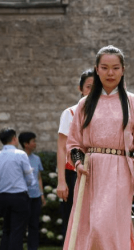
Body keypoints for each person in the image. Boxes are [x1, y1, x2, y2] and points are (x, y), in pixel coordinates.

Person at [54, 45, 134, 250]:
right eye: (105, 68)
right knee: (88, 229)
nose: (110, 72)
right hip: (91, 172)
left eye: (116, 68)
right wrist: (77, 162)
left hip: (120, 168)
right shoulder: (85, 104)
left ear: (123, 70)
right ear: (97, 70)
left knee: (106, 228)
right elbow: (74, 143)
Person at [56, 69, 94, 240]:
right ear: (80, 89)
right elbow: (62, 148)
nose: (92, 91)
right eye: (88, 87)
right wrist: (61, 182)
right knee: (72, 219)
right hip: (73, 171)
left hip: (97, 171)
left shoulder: (106, 113)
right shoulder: (70, 113)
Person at [0, 128, 36, 250]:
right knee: (17, 231)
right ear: (14, 139)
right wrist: (31, 186)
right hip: (19, 196)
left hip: (4, 196)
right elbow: (30, 177)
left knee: (6, 230)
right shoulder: (20, 154)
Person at [18, 132, 46, 250]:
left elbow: (38, 177)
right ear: (26, 144)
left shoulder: (37, 159)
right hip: (23, 196)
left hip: (35, 197)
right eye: (33, 141)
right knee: (21, 226)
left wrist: (41, 194)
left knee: (34, 225)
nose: (35, 143)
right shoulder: (18, 158)